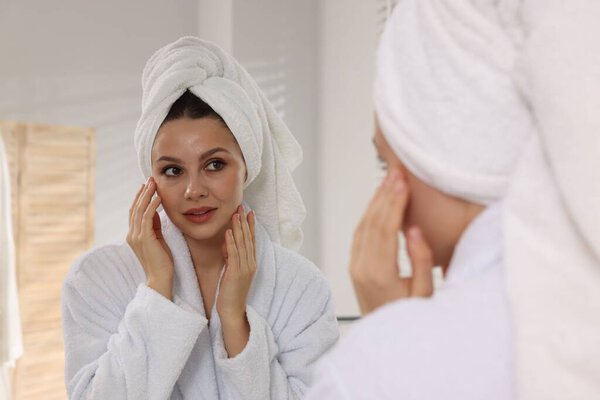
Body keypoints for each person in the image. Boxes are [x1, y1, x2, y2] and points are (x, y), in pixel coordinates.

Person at [62, 37, 339, 400]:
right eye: (173, 170)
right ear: (152, 180)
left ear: (248, 167)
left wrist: (234, 319)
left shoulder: (300, 288)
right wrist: (157, 290)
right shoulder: (97, 279)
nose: (194, 189)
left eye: (214, 164)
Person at [306, 1, 535, 398]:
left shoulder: (376, 366)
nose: (383, 194)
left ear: (435, 152)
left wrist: (390, 338)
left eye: (386, 161)